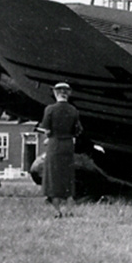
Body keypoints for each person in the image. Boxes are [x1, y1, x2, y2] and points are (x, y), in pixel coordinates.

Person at [39, 83, 83, 218]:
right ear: (67, 94)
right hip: (68, 145)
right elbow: (78, 130)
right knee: (68, 177)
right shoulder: (74, 110)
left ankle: (57, 211)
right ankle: (69, 210)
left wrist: (49, 138)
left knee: (53, 178)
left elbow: (46, 129)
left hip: (54, 145)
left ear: (56, 94)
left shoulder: (50, 109)